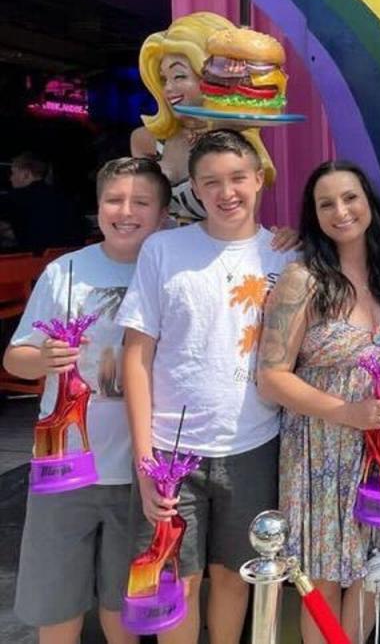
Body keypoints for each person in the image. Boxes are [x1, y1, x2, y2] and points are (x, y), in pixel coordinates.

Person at [117, 130, 297, 644]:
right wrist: (145, 459)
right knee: (178, 579)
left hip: (255, 445)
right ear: (193, 187)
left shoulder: (287, 255)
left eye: (238, 177)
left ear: (258, 179)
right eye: (211, 181)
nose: (227, 192)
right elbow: (137, 353)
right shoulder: (163, 250)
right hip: (173, 453)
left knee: (233, 575)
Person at [256, 160, 380, 644]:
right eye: (325, 203)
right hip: (320, 449)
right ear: (313, 216)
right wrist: (347, 413)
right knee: (322, 573)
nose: (341, 211)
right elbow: (270, 378)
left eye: (349, 197)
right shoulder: (303, 280)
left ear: (369, 203)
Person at [3, 157, 171, 644]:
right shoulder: (64, 271)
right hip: (65, 469)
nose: (126, 212)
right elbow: (16, 358)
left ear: (163, 215)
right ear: (97, 208)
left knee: (123, 607)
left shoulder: (171, 271)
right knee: (56, 606)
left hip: (141, 471)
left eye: (141, 203)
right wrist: (45, 357)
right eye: (114, 200)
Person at [133, 12, 277, 224]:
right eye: (164, 79)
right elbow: (139, 208)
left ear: (213, 78)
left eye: (180, 76)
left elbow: (241, 223)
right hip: (159, 254)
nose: (169, 89)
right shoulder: (145, 140)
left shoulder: (240, 145)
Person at [0, 151, 84, 253]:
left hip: (33, 262)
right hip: (69, 259)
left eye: (13, 173)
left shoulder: (16, 198)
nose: (10, 178)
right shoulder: (66, 197)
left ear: (26, 175)